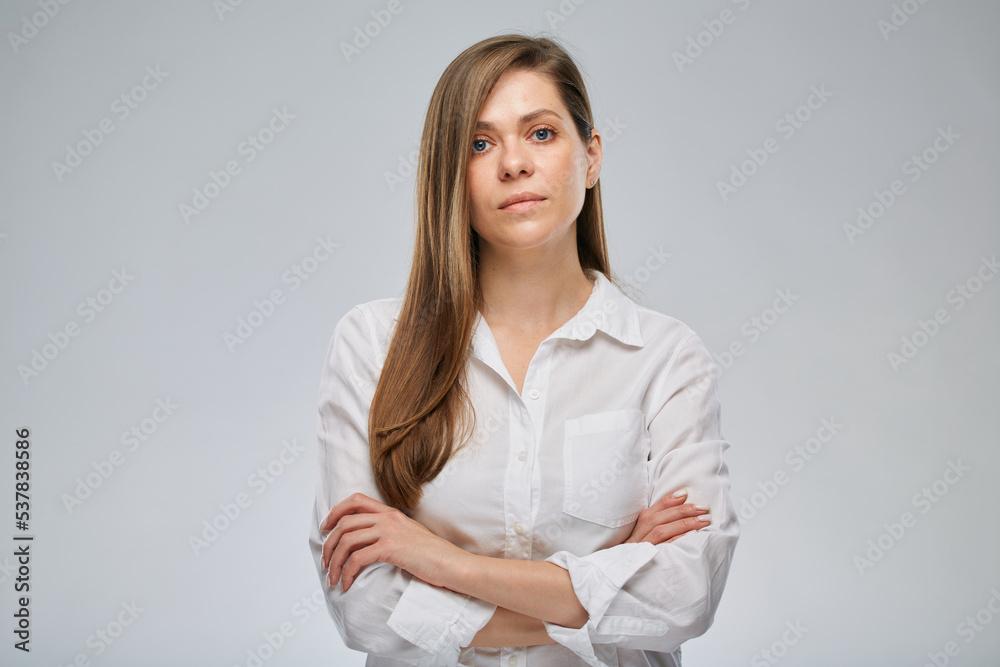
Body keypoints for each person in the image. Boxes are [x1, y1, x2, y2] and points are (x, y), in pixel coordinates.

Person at [308, 33, 739, 667]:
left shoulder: (666, 357)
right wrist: (606, 583)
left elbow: (686, 596)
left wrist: (438, 561)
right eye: (480, 144)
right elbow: (366, 608)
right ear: (450, 176)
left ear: (590, 158)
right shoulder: (372, 345)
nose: (514, 163)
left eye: (541, 133)